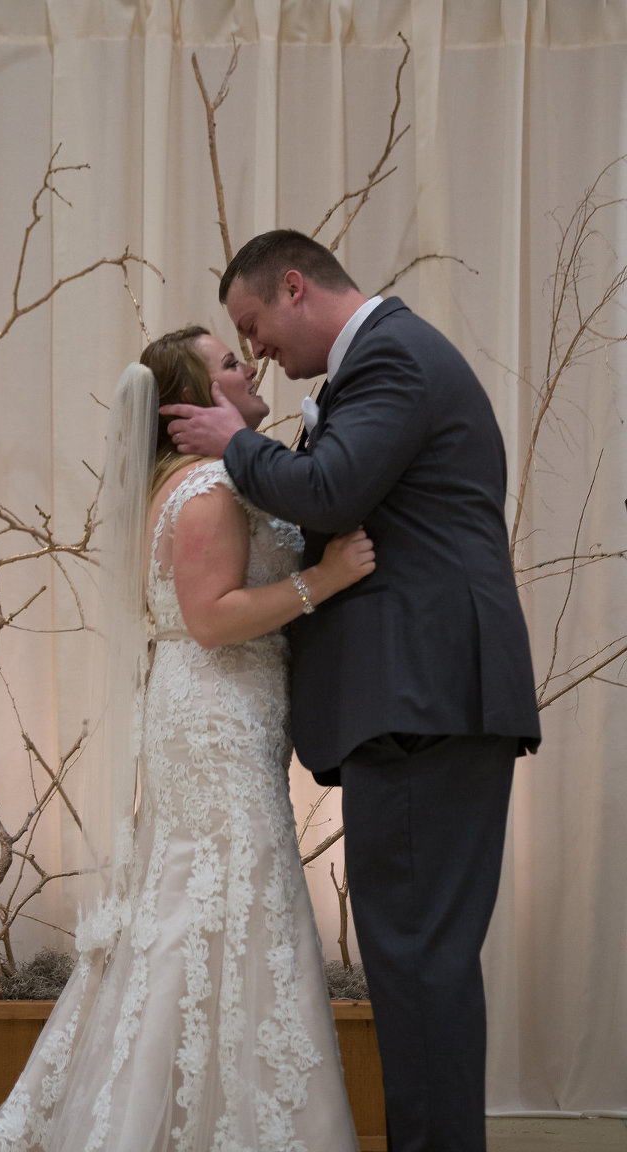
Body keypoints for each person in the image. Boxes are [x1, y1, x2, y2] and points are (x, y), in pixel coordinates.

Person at [161, 232, 542, 1152]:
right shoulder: (382, 361)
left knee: (416, 963)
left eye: (254, 327)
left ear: (294, 287)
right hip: (424, 702)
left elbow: (329, 492)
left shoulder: (392, 358)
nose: (257, 355)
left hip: (421, 703)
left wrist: (238, 439)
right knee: (423, 963)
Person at [0, 324, 375, 1152]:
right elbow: (209, 618)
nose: (248, 361)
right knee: (215, 904)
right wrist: (325, 578)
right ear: (195, 404)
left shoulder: (210, 480)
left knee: (207, 905)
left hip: (226, 713)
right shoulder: (210, 488)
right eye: (230, 361)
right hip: (215, 716)